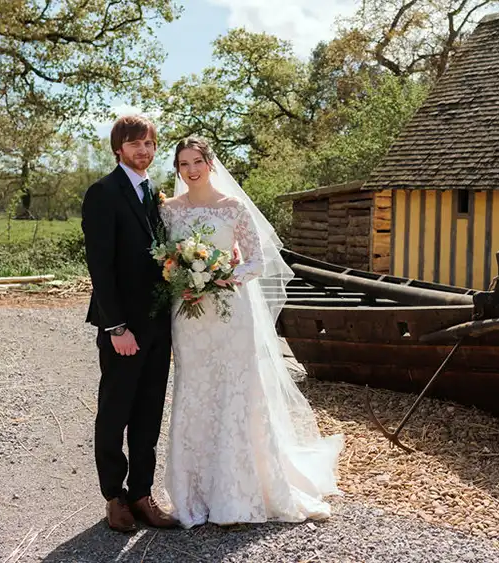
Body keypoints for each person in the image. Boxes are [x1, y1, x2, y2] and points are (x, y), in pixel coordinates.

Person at [159, 136, 343, 528]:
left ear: (210, 163)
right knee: (195, 391)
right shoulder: (169, 211)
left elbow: (257, 261)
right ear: (177, 168)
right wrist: (184, 276)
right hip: (189, 314)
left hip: (229, 312)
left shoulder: (234, 208)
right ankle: (195, 493)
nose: (191, 170)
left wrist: (222, 276)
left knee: (236, 392)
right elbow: (165, 261)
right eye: (183, 163)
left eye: (197, 161)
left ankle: (239, 491)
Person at [81, 115, 179, 533]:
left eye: (149, 144)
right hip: (124, 328)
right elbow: (100, 267)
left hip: (159, 325)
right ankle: (114, 498)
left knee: (149, 412)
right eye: (135, 143)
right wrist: (116, 327)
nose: (143, 150)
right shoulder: (103, 193)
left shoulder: (154, 196)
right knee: (115, 410)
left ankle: (142, 493)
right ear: (118, 148)